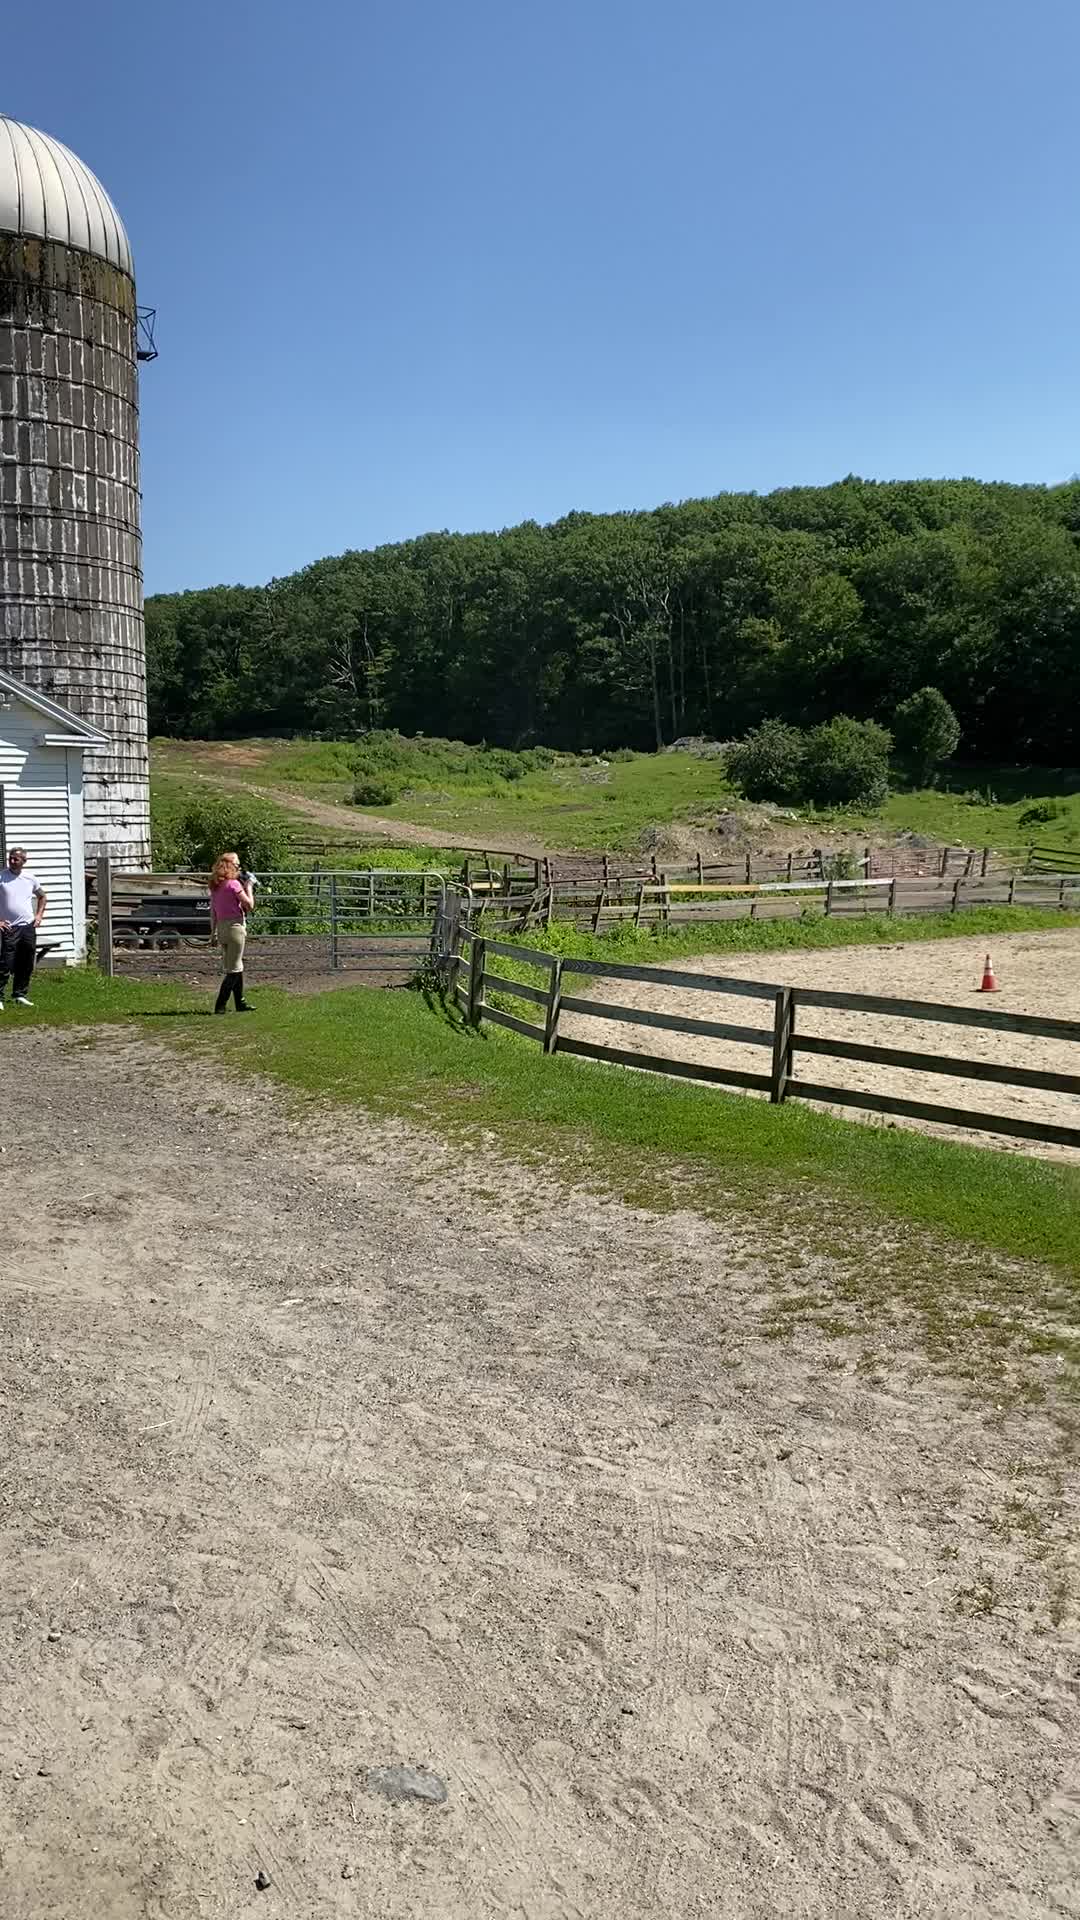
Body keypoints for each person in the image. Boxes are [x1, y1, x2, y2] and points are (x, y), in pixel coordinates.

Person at [0, 847, 46, 1010]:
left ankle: (20, 994)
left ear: (23, 862)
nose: (12, 861)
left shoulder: (30, 878)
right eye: (11, 858)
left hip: (27, 927)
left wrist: (39, 916)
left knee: (26, 962)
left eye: (16, 859)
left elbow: (42, 896)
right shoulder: (2, 877)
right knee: (6, 962)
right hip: (9, 927)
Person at [209, 852, 254, 1013]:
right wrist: (249, 886)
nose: (239, 868)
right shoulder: (234, 884)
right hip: (235, 928)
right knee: (233, 970)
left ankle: (240, 1002)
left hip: (222, 928)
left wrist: (212, 933)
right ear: (229, 866)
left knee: (236, 965)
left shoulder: (215, 885)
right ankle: (220, 1005)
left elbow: (213, 912)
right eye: (237, 865)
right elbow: (249, 905)